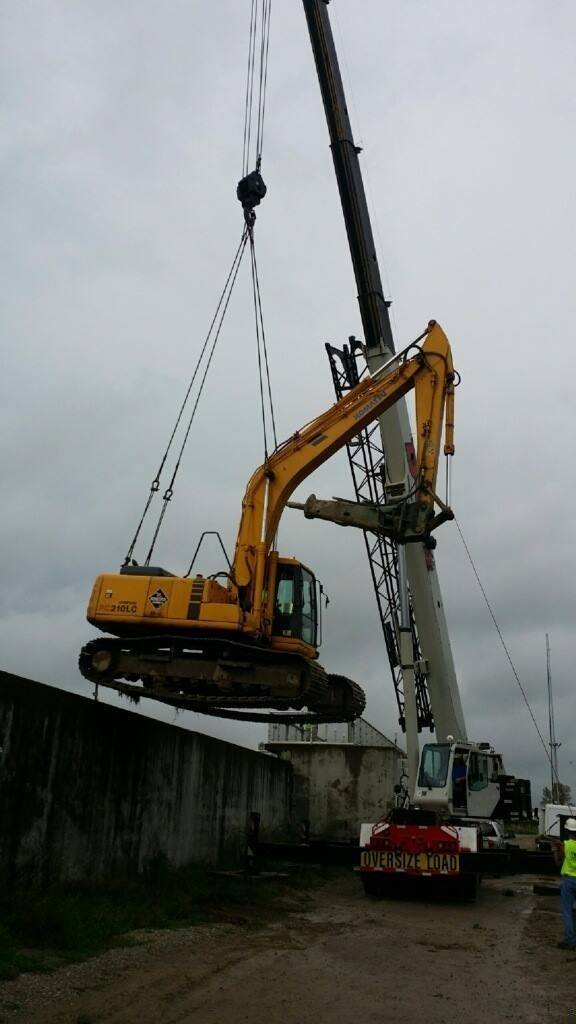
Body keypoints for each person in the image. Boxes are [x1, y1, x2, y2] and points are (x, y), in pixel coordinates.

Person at [553, 817, 576, 950]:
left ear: (567, 831)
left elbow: (557, 862)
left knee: (567, 911)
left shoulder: (564, 845)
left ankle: (570, 941)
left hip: (568, 881)